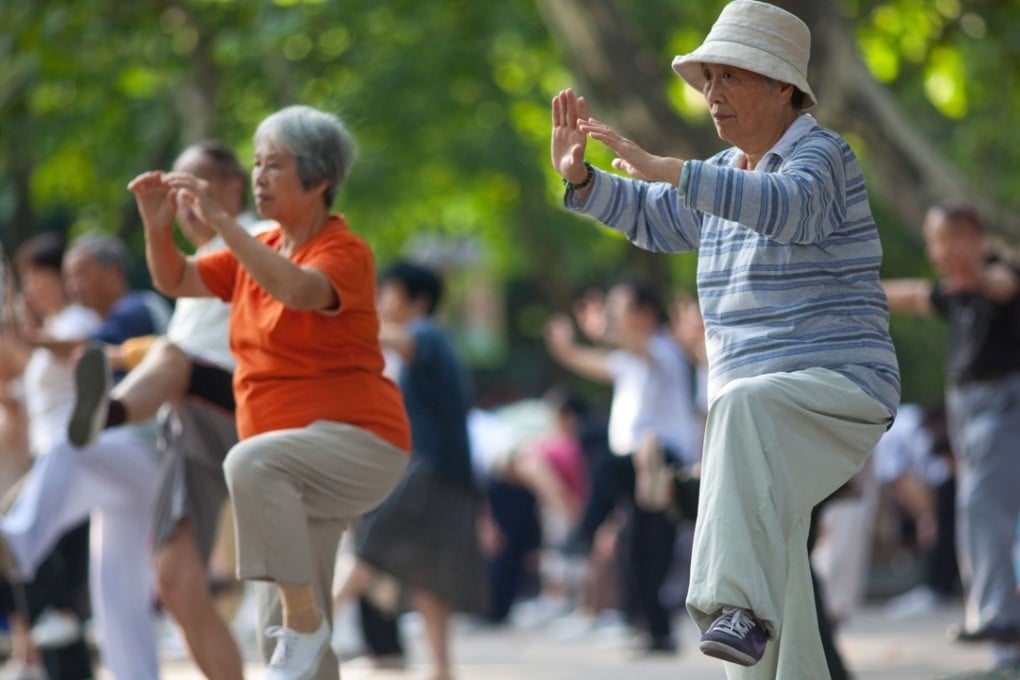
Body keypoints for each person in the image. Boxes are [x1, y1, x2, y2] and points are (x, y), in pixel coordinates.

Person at [549, 0, 900, 675]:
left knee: (737, 408)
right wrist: (582, 178)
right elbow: (651, 215)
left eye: (729, 78)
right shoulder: (722, 175)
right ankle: (762, 641)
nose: (712, 95)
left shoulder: (824, 157)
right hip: (759, 411)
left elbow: (787, 210)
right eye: (707, 80)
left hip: (837, 391)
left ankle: (727, 606)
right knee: (778, 558)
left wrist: (672, 168)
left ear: (782, 86)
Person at [125, 104, 410, 680]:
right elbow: (175, 278)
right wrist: (157, 223)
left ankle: (306, 622)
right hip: (290, 470)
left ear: (318, 178)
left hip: (359, 443)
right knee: (278, 639)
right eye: (256, 163)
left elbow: (299, 291)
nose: (258, 176)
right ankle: (305, 625)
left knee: (249, 462)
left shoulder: (344, 251)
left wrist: (223, 223)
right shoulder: (258, 250)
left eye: (273, 165)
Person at [68, 140, 272, 680]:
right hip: (186, 417)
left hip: (246, 404)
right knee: (176, 582)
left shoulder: (259, 238)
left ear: (230, 188)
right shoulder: (195, 270)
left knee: (171, 356)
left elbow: (185, 345)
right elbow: (179, 317)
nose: (181, 202)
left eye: (188, 188)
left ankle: (107, 416)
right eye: (172, 190)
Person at [0, 234, 172, 680]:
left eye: (80, 273)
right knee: (116, 592)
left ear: (113, 273)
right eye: (69, 274)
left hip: (148, 453)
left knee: (68, 447)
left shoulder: (135, 309)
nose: (73, 284)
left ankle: (17, 543)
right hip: (120, 470)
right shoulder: (94, 322)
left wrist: (32, 337)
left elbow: (87, 349)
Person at [334, 260, 487, 680]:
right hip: (448, 475)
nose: (382, 302)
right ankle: (441, 669)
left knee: (368, 551)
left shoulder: (427, 333)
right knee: (429, 576)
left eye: (389, 293)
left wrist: (341, 317)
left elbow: (399, 341)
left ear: (416, 300)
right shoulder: (436, 342)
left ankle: (306, 636)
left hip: (429, 473)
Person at [883, 202, 1020, 671]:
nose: (933, 251)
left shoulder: (1000, 277)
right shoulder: (958, 296)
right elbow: (912, 295)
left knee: (981, 506)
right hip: (970, 412)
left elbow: (1001, 285)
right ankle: (1004, 642)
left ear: (968, 238)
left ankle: (999, 616)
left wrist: (980, 274)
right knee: (977, 513)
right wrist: (844, 288)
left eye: (940, 239)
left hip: (1003, 406)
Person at [544, 281, 701, 653]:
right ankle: (654, 630)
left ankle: (580, 536)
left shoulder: (664, 350)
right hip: (636, 470)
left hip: (661, 465)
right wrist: (565, 348)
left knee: (609, 474)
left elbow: (636, 347)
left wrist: (603, 330)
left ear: (645, 314)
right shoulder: (629, 360)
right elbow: (593, 362)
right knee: (638, 548)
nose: (613, 318)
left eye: (619, 310)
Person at [0, 234, 100, 680]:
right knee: (21, 550)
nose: (32, 288)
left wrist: (31, 336)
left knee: (26, 544)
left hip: (73, 457)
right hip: (45, 457)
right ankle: (39, 646)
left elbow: (79, 348)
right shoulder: (46, 331)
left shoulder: (77, 321)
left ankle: (46, 631)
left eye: (37, 277)